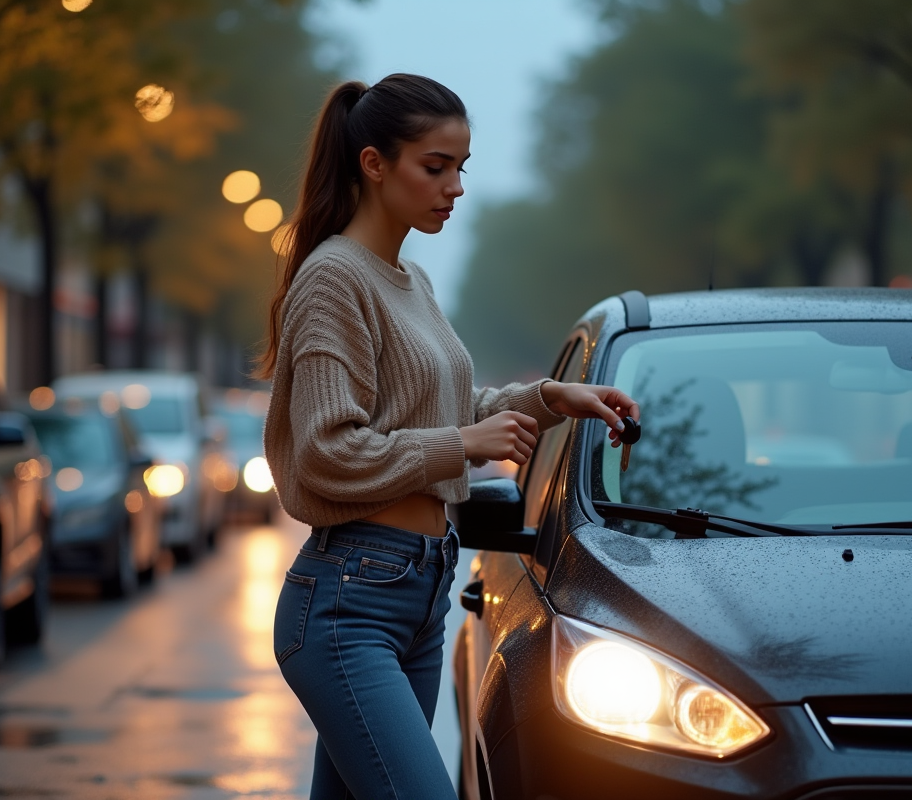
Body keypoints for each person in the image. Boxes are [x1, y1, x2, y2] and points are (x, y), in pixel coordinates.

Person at [259, 74, 639, 800]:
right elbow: (327, 451)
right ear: (374, 164)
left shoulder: (410, 279)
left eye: (461, 167)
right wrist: (464, 445)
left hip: (422, 591)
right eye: (435, 167)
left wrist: (551, 398)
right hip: (350, 603)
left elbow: (448, 408)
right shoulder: (334, 279)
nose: (455, 187)